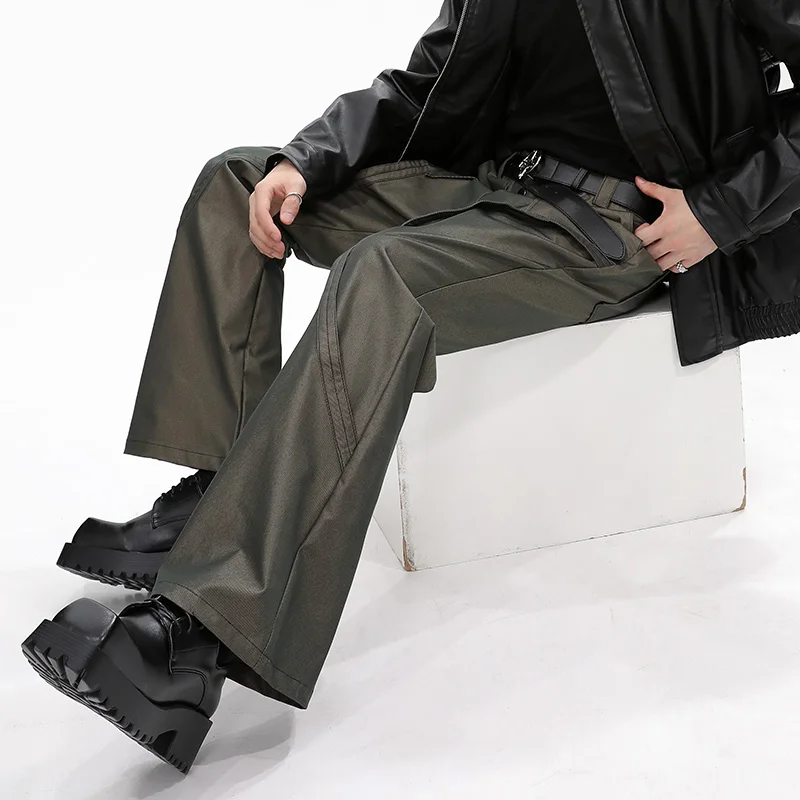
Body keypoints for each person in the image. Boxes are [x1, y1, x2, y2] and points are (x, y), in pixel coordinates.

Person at [21, 0, 795, 775]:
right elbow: (428, 82)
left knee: (383, 274)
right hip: (490, 186)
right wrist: (306, 160)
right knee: (239, 184)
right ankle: (217, 504)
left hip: (611, 227)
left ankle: (192, 649)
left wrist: (719, 211)